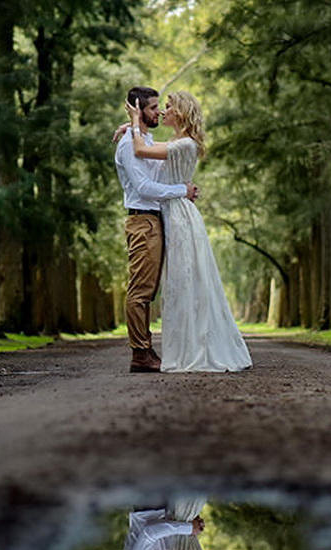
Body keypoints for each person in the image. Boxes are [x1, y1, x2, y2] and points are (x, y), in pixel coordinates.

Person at [125, 92, 252, 372]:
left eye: (168, 107)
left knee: (184, 281)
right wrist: (131, 128)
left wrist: (134, 123)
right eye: (161, 107)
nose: (162, 112)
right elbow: (146, 145)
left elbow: (141, 150)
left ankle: (193, 348)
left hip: (178, 215)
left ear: (180, 113)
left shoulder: (184, 144)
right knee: (177, 282)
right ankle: (180, 345)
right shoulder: (176, 142)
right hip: (169, 212)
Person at [114, 86, 200, 373]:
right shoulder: (129, 143)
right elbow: (143, 187)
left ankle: (146, 349)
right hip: (142, 221)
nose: (159, 111)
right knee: (141, 290)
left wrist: (133, 125)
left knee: (149, 290)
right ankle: (140, 353)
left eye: (159, 107)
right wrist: (182, 190)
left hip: (156, 220)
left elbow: (159, 164)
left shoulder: (144, 138)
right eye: (152, 108)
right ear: (138, 110)